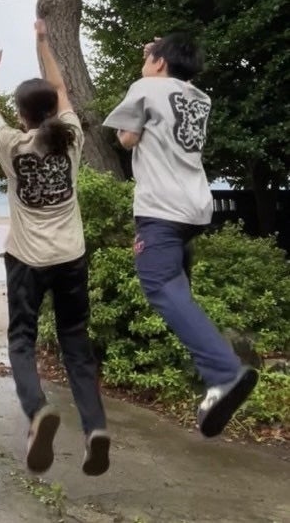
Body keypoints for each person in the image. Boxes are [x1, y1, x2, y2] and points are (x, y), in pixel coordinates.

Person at [104, 33, 258, 438]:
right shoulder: (199, 98)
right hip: (195, 209)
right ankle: (210, 377)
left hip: (162, 209)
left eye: (149, 58)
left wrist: (148, 71)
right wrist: (163, 52)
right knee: (177, 291)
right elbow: (173, 87)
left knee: (160, 285)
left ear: (158, 63)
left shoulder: (145, 87)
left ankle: (223, 372)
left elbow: (126, 137)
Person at [0, 21, 110, 476]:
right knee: (76, 343)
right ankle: (95, 428)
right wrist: (43, 42)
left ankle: (37, 412)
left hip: (27, 260)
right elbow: (60, 87)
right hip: (70, 256)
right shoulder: (70, 136)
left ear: (22, 115)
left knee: (22, 339)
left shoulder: (11, 144)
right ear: (55, 109)